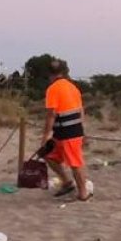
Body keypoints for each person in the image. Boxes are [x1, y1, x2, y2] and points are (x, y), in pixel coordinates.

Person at [43, 59, 91, 201]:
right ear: (64, 72)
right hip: (66, 132)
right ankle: (67, 182)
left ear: (50, 74)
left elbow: (51, 115)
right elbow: (81, 110)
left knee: (75, 163)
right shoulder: (73, 87)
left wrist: (45, 135)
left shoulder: (52, 89)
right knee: (49, 156)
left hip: (69, 133)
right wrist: (82, 129)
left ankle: (83, 193)